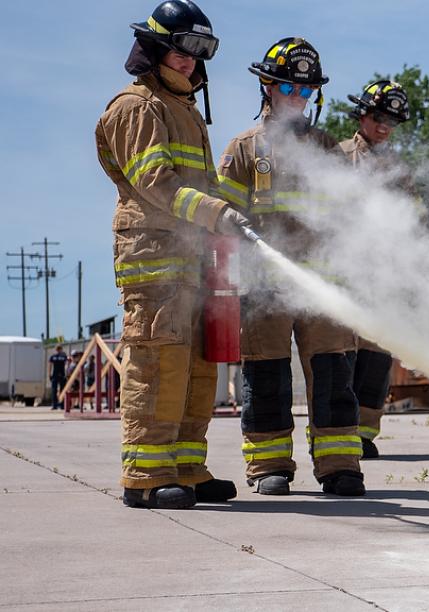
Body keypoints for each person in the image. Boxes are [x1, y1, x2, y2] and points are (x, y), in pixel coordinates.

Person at [95, 0, 243, 509]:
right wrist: (215, 213)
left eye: (200, 54)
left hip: (195, 257)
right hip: (155, 258)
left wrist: (230, 215)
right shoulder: (136, 107)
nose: (191, 63)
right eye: (183, 52)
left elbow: (202, 184)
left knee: (200, 365)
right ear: (156, 48)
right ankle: (145, 474)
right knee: (159, 363)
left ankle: (186, 466)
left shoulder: (184, 109)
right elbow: (155, 183)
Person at [217, 37, 365, 497]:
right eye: (289, 89)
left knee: (334, 377)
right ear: (268, 87)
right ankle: (268, 466)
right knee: (265, 377)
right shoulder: (244, 150)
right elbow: (221, 222)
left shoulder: (327, 150)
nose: (298, 100)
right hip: (263, 290)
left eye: (306, 92)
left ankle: (340, 465)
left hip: (321, 287)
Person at [339, 80, 413, 458]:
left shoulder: (398, 168)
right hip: (347, 273)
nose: (385, 127)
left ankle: (365, 433)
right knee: (343, 357)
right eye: (380, 117)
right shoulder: (339, 156)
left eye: (393, 121)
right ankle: (339, 431)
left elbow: (411, 218)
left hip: (385, 275)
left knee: (376, 360)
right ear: (363, 115)